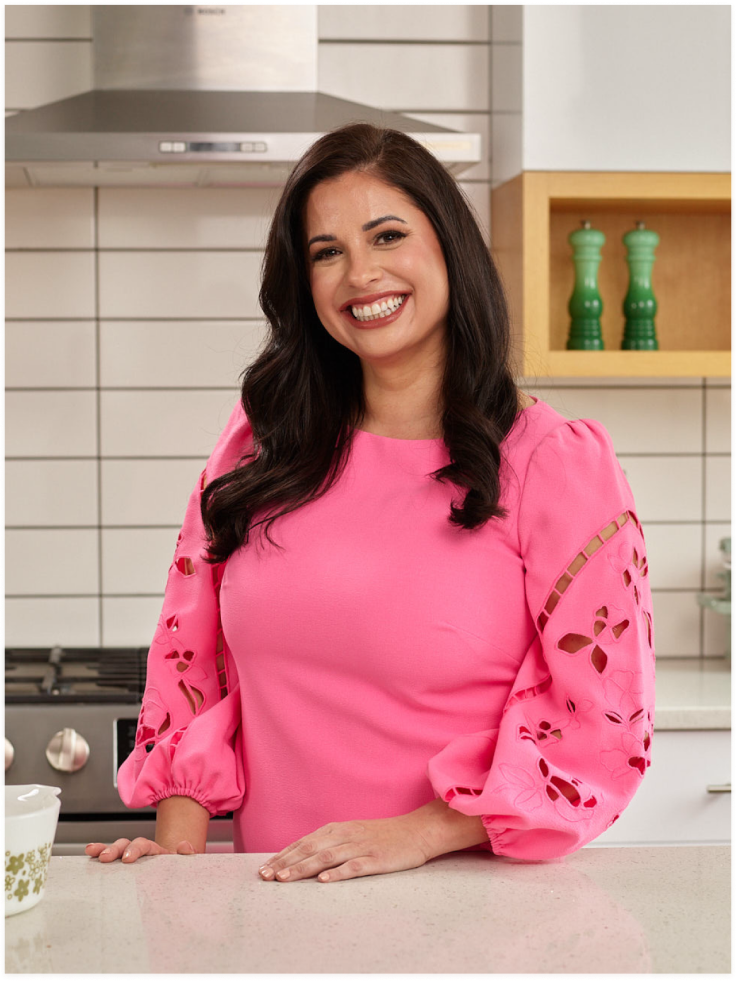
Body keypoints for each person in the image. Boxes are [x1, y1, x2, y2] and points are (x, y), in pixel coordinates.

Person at [87, 123, 656, 883]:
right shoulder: (261, 447)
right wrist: (177, 866)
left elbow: (603, 720)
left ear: (449, 246)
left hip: (470, 923)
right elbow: (191, 671)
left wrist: (419, 833)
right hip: (272, 918)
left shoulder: (554, 463)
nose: (360, 274)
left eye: (387, 236)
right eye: (327, 253)